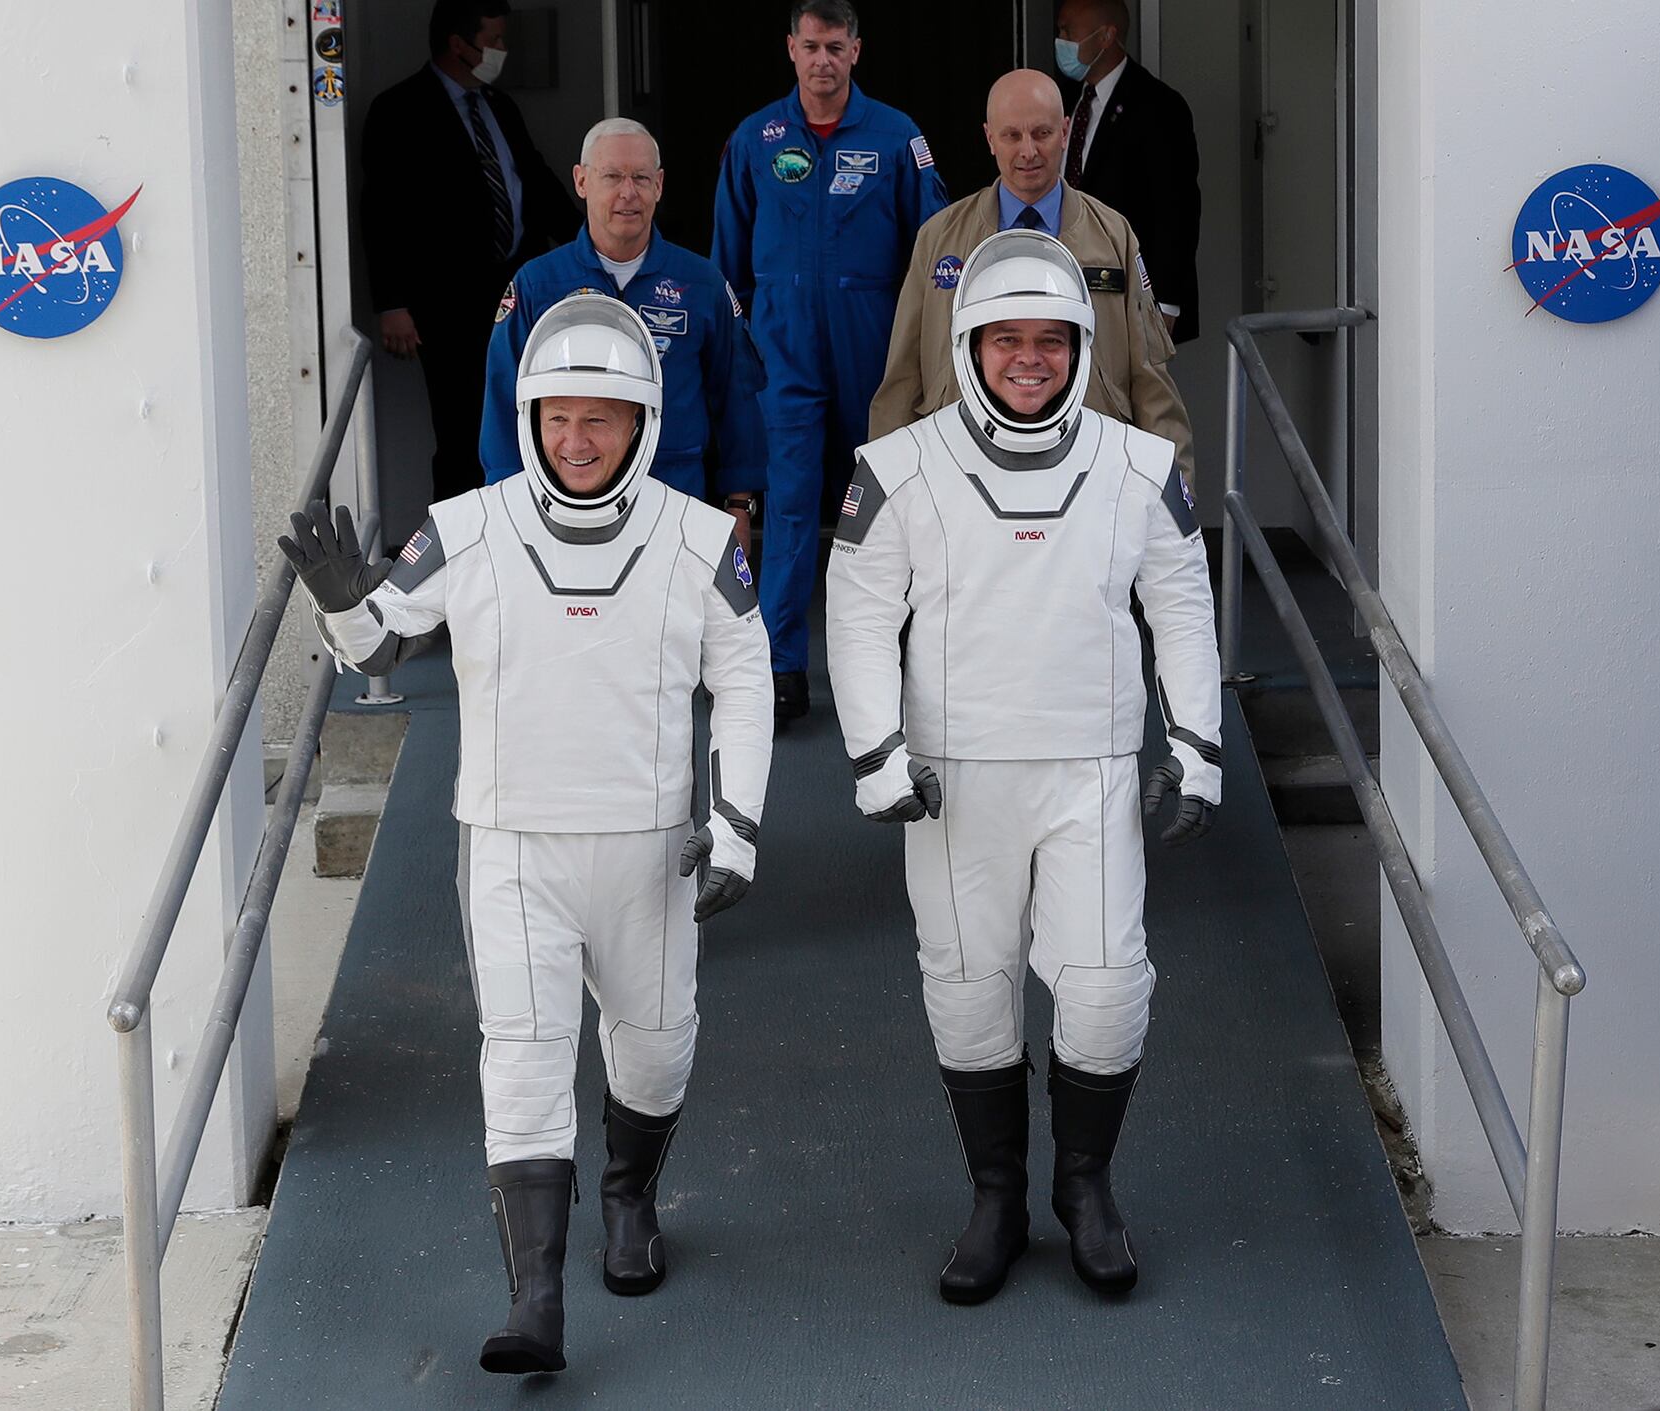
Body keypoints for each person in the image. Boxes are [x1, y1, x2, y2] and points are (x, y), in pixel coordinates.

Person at [281, 296, 772, 1375]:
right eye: (556, 417)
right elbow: (377, 643)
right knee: (525, 1055)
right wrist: (335, 598)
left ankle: (629, 1196)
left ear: (642, 421)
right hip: (509, 845)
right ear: (527, 416)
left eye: (600, 419)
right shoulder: (465, 526)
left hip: (648, 845)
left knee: (654, 1043)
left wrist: (733, 826)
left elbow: (743, 681)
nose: (575, 440)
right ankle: (535, 1297)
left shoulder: (698, 538)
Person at [826, 230, 1220, 1306]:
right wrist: (876, 752)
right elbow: (859, 617)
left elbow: (1180, 606)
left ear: (1082, 345)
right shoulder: (896, 467)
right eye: (1008, 340)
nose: (1030, 360)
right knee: (967, 990)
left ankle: (1082, 1186)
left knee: (1101, 992)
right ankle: (993, 1195)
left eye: (1051, 341)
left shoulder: (1139, 466)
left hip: (1088, 770)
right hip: (954, 780)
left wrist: (1194, 746)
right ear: (968, 344)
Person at [712, 0, 946, 726]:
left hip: (874, 355)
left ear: (856, 52)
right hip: (784, 356)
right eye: (810, 46)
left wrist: (920, 350)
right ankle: (782, 670)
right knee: (785, 508)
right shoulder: (756, 138)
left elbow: (934, 248)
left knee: (885, 512)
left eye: (835, 47)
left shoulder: (897, 135)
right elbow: (727, 262)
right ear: (790, 48)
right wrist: (750, 341)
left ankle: (896, 667)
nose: (822, 60)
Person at [868, 69, 1194, 488]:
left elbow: (1151, 382)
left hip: (1090, 468)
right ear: (989, 138)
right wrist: (883, 491)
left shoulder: (1112, 236)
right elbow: (902, 379)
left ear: (1065, 131)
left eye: (1041, 133)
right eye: (1011, 136)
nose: (1028, 152)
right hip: (961, 469)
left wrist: (1177, 493)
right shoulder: (940, 238)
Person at [482, 119, 767, 556]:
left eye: (640, 178)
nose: (627, 193)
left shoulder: (701, 284)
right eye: (612, 176)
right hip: (562, 504)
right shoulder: (539, 284)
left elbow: (736, 400)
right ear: (581, 181)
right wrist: (507, 508)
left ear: (659, 185)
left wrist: (739, 505)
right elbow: (505, 402)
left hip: (675, 497)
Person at [359, 0, 578, 503]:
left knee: (526, 425)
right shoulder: (401, 109)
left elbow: (537, 187)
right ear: (460, 44)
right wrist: (392, 303)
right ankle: (457, 561)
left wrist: (590, 250)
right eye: (495, 40)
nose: (504, 50)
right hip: (448, 303)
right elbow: (383, 212)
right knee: (461, 433)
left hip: (519, 294)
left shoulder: (499, 106)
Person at [1056, 0, 1202, 343]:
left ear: (1107, 36)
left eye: (1068, 31)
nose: (1060, 40)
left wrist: (1165, 306)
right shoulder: (1065, 97)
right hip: (1066, 290)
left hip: (1129, 300)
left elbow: (1176, 213)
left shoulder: (1158, 106)